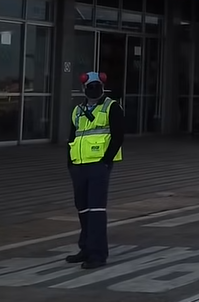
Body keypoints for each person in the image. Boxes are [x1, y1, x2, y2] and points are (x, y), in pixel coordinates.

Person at [64, 71, 125, 269]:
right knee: (83, 208)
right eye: (89, 86)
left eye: (96, 86)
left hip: (98, 166)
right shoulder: (77, 110)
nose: (92, 89)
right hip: (79, 166)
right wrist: (70, 163)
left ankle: (98, 255)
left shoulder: (112, 108)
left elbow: (118, 137)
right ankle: (86, 248)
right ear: (83, 89)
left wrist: (106, 161)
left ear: (102, 87)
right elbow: (72, 138)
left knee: (96, 210)